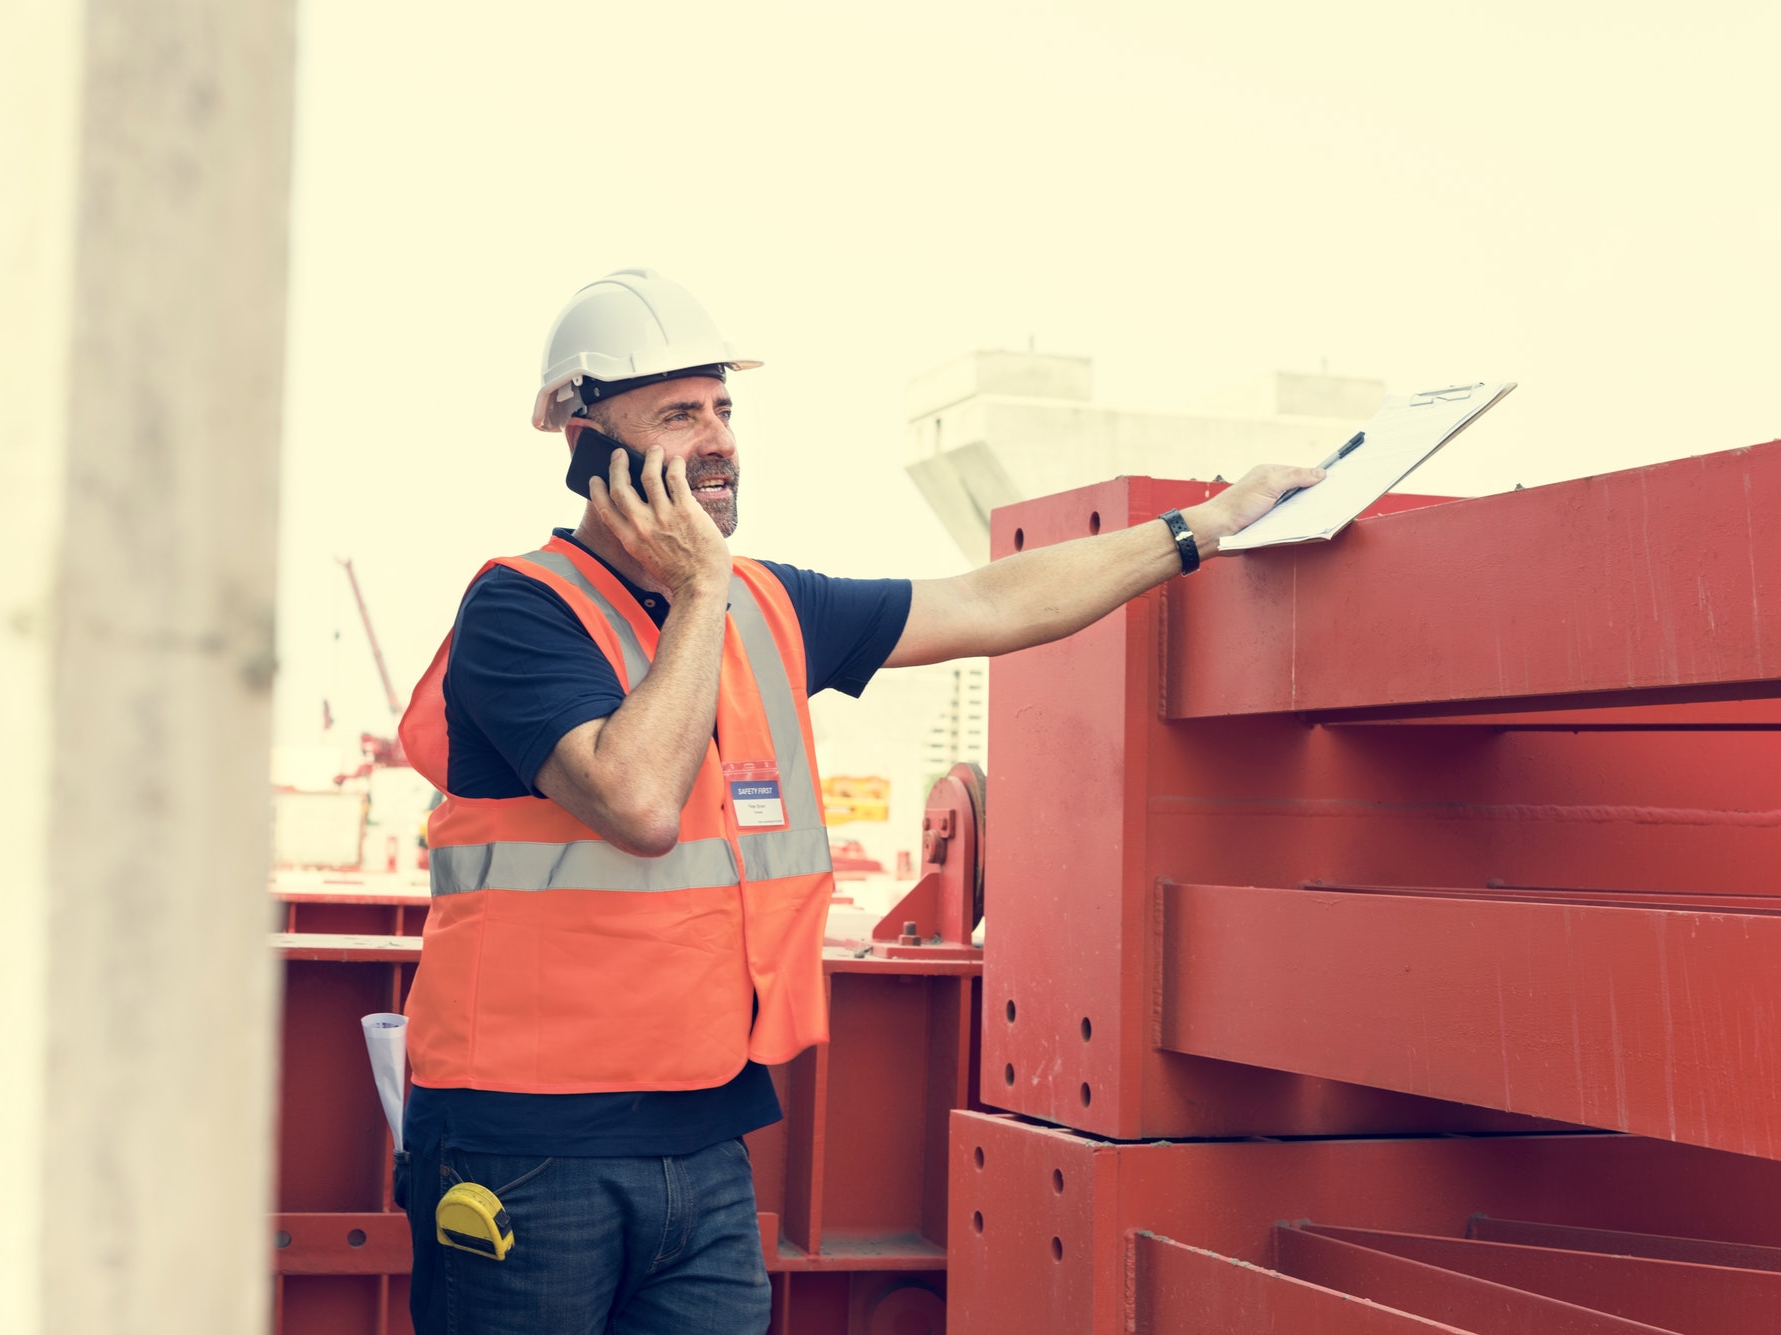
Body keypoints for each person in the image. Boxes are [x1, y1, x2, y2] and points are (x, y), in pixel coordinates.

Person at [395, 268, 1322, 1333]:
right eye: (677, 416)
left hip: (703, 1146)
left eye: (723, 410)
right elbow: (638, 802)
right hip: (525, 1153)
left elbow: (985, 601)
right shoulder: (521, 613)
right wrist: (698, 583)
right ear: (588, 445)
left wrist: (1199, 527)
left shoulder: (765, 606)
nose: (717, 440)